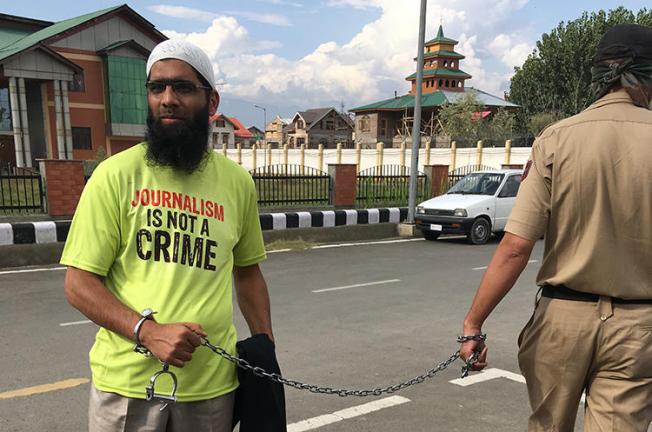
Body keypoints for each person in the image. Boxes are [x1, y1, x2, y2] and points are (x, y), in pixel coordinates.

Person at [62, 39, 275, 432]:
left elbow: (247, 273)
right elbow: (78, 283)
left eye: (182, 87)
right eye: (157, 88)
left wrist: (267, 350)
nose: (167, 99)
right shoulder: (114, 176)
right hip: (127, 387)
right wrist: (149, 332)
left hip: (213, 388)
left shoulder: (237, 183)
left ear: (211, 103)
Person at [459, 24, 652, 431]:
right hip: (639, 328)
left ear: (600, 75)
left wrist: (473, 325)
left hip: (561, 319)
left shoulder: (556, 139)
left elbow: (515, 247)